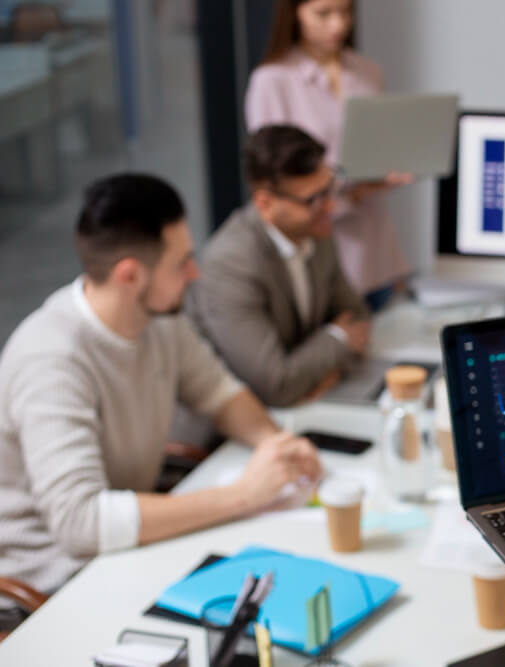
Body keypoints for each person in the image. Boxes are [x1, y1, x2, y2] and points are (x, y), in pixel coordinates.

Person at [0, 174, 322, 618]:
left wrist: (276, 446)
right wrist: (245, 494)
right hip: (57, 582)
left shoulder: (160, 320)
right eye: (182, 262)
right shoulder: (51, 359)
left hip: (129, 547)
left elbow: (219, 393)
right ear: (130, 274)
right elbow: (80, 522)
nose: (195, 273)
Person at [185, 125, 370, 408]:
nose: (331, 207)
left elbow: (357, 318)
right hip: (229, 431)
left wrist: (326, 371)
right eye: (313, 199)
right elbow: (276, 386)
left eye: (330, 188)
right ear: (265, 204)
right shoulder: (230, 263)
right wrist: (337, 339)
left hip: (304, 407)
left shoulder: (316, 233)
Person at [245, 0, 412, 311]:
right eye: (323, 14)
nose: (338, 25)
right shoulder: (272, 81)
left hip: (374, 245)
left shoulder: (368, 72)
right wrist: (351, 189)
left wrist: (388, 171)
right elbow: (274, 177)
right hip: (319, 245)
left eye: (346, 12)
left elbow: (377, 148)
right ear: (295, 13)